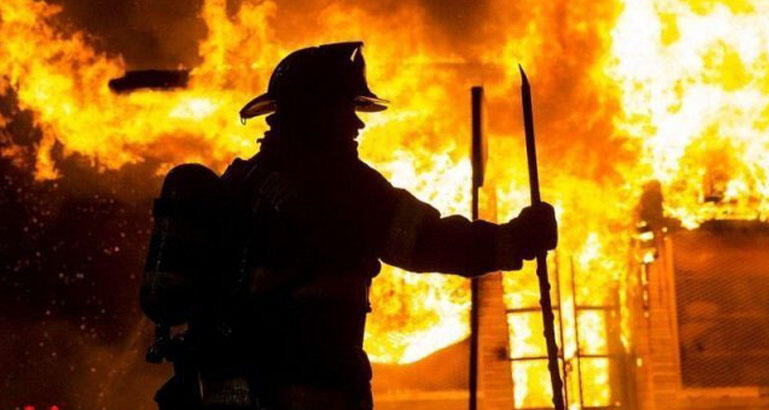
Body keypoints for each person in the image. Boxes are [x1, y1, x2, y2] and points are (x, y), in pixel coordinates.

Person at [140, 41, 558, 410]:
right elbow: (430, 243)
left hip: (221, 393)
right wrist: (516, 239)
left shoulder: (237, 182)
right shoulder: (344, 189)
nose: (357, 125)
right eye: (346, 110)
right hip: (309, 393)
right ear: (316, 113)